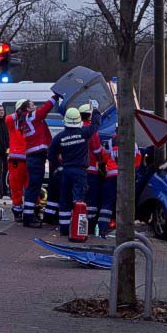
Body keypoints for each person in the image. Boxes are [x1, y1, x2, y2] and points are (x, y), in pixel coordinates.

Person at [47, 102, 101, 237]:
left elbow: (50, 154)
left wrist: (58, 165)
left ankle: (64, 230)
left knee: (64, 200)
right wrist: (95, 110)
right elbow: (95, 125)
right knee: (79, 200)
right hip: (80, 172)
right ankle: (78, 231)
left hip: (66, 171)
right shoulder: (84, 133)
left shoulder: (59, 137)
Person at [17, 94, 60, 227]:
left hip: (35, 155)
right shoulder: (31, 117)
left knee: (34, 186)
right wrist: (55, 97)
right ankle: (28, 218)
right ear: (27, 108)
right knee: (34, 187)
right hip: (36, 155)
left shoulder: (25, 119)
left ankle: (30, 215)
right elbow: (45, 109)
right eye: (32, 105)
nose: (35, 107)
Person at [80, 103, 106, 232]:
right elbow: (97, 150)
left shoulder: (75, 129)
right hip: (91, 170)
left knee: (79, 198)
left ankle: (78, 224)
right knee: (92, 200)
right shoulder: (91, 131)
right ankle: (89, 227)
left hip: (79, 170)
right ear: (90, 116)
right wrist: (102, 163)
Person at [5, 99, 29, 222]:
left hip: (29, 159)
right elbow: (8, 119)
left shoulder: (30, 121)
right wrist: (20, 113)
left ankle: (32, 210)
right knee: (16, 187)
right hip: (16, 160)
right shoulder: (13, 122)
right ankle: (18, 210)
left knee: (30, 186)